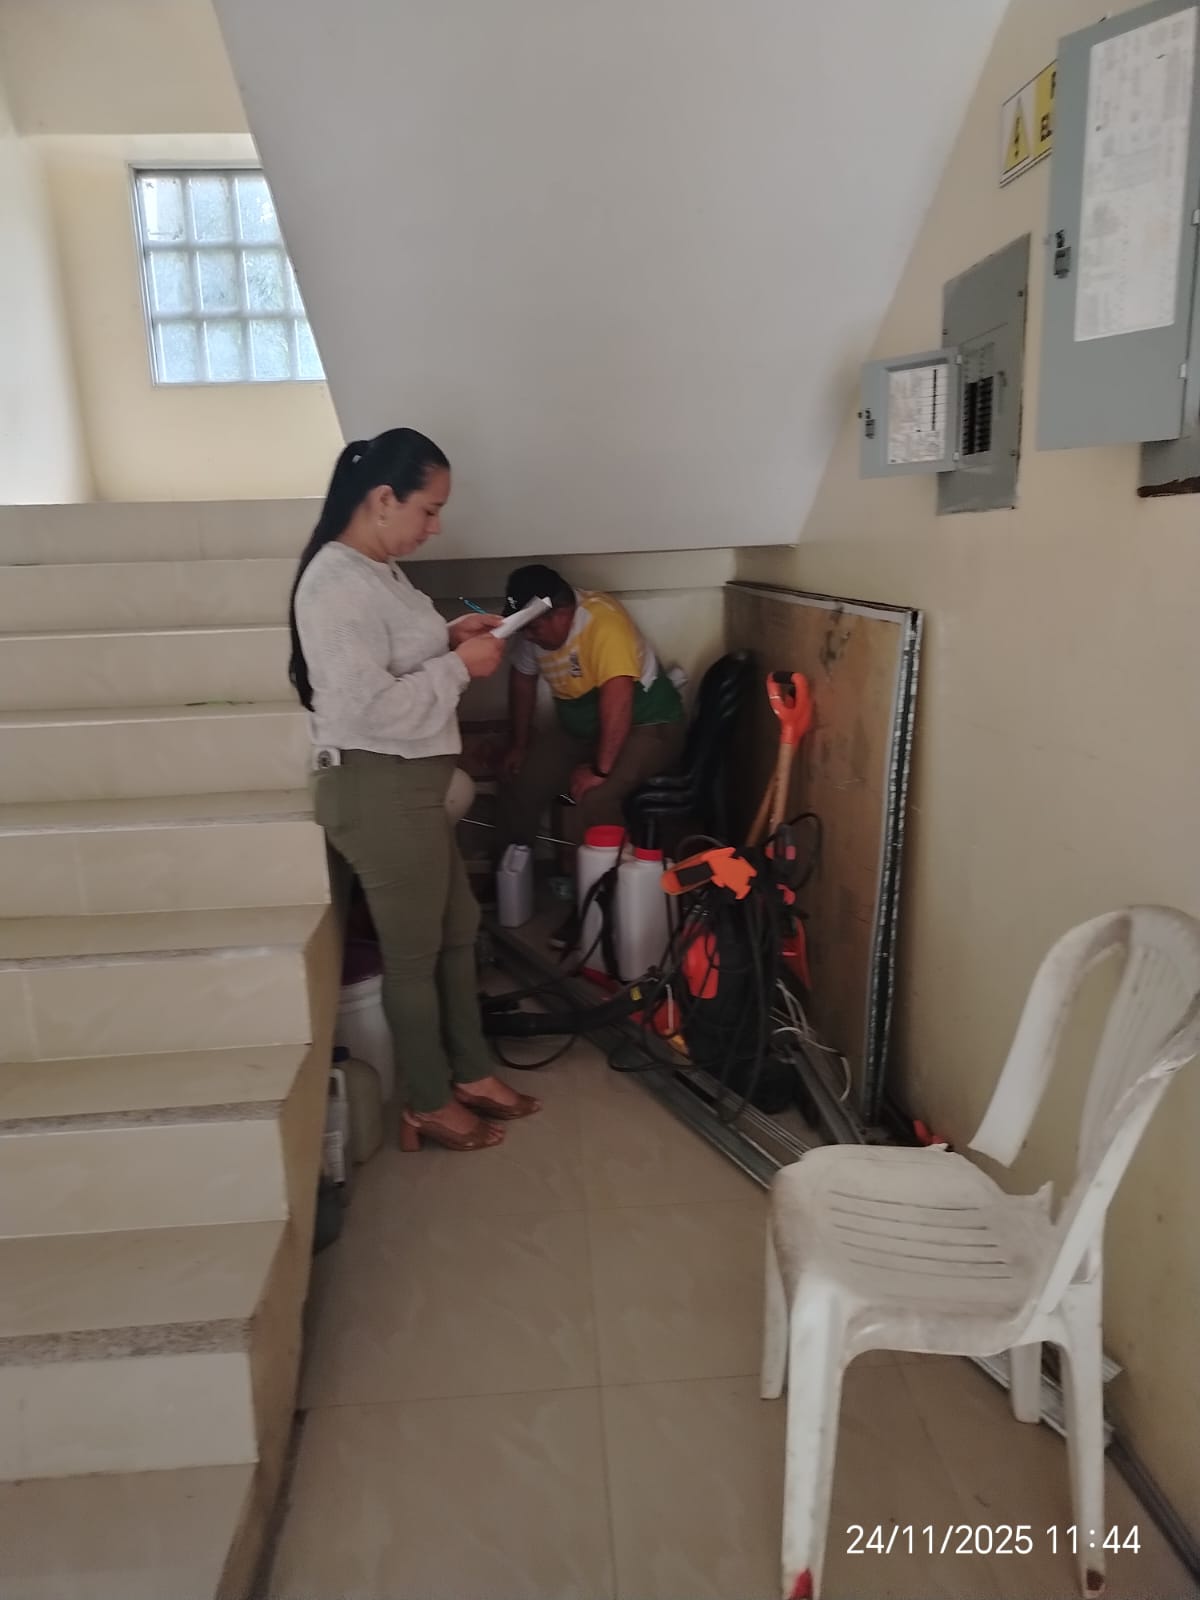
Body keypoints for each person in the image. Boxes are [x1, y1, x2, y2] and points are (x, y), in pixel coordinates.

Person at [290, 428, 539, 1153]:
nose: (436, 526)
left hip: (409, 785)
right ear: (382, 499)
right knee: (414, 953)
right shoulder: (334, 583)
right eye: (429, 509)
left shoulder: (378, 570)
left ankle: (471, 1072)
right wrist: (461, 667)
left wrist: (452, 635)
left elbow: (391, 655)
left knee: (457, 931)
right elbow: (368, 706)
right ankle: (427, 1101)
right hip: (376, 787)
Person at [495, 563, 686, 850]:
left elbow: (619, 699)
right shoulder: (535, 633)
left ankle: (611, 876)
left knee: (595, 797)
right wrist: (519, 745)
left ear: (561, 614)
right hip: (584, 731)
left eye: (532, 628)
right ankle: (511, 868)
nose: (528, 637)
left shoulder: (604, 622)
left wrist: (599, 771)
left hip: (647, 724)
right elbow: (522, 680)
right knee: (519, 778)